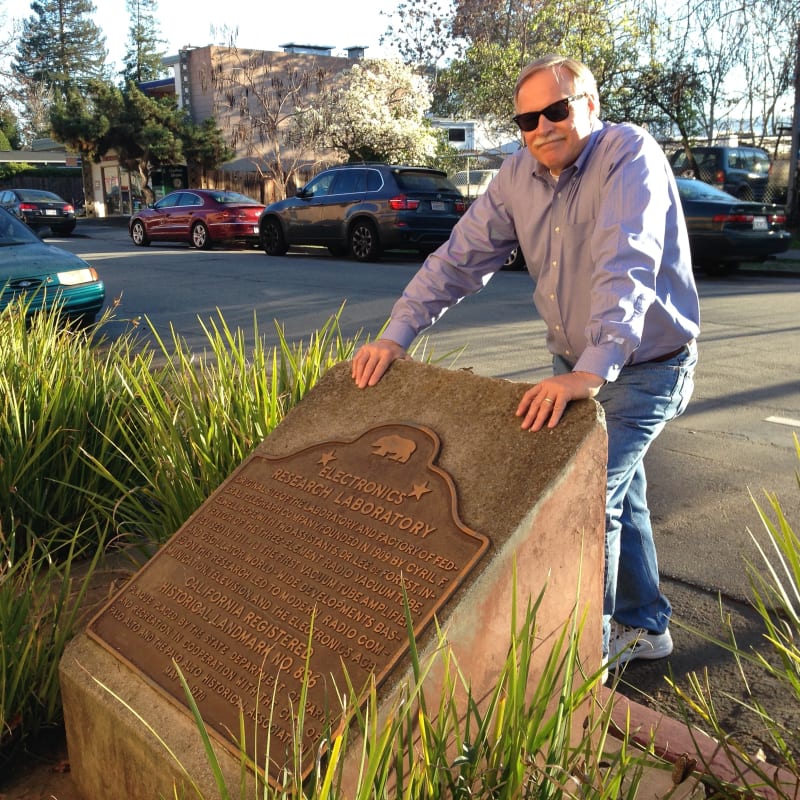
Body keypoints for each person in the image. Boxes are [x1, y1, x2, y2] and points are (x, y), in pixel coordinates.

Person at [350, 54, 700, 669]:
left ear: (589, 105)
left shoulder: (629, 155)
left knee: (590, 499)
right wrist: (395, 335)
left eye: (556, 110)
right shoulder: (517, 176)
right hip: (579, 365)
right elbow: (459, 260)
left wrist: (588, 371)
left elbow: (629, 262)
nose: (542, 127)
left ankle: (579, 673)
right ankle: (645, 627)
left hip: (646, 365)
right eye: (527, 119)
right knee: (624, 492)